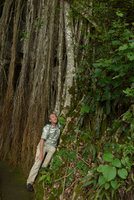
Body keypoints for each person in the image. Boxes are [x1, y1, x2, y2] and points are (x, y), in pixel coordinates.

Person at [26, 113, 71, 192]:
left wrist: (68, 120)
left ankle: (44, 167)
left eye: (55, 116)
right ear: (50, 120)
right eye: (53, 117)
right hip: (43, 146)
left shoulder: (58, 126)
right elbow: (42, 140)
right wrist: (40, 153)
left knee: (53, 149)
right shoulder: (47, 127)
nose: (55, 118)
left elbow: (65, 126)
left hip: (51, 147)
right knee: (37, 162)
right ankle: (29, 182)